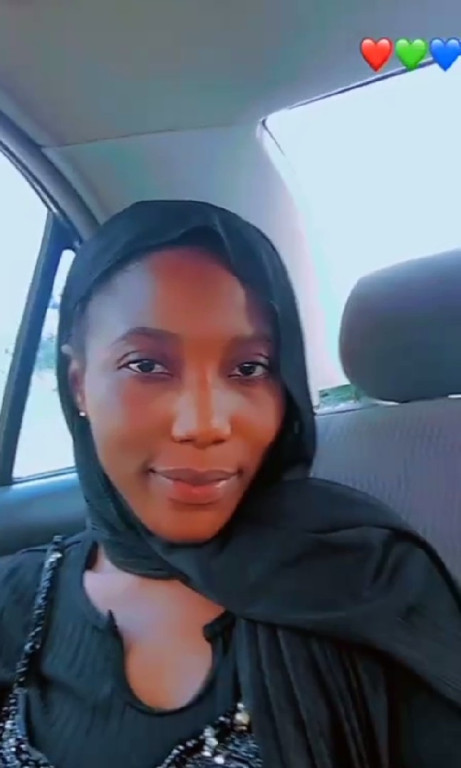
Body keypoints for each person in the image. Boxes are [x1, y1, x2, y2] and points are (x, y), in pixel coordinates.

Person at [0, 200, 460, 768]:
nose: (204, 424)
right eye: (146, 365)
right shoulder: (16, 598)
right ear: (78, 386)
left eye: (249, 369)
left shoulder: (366, 584)